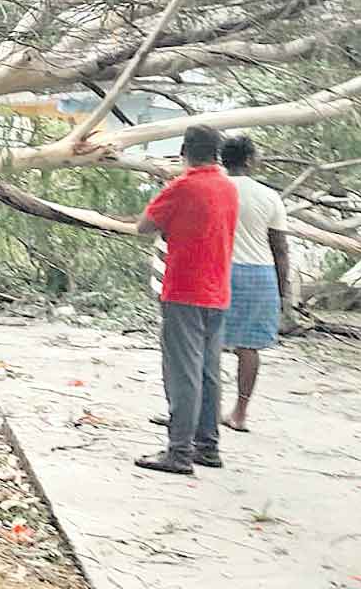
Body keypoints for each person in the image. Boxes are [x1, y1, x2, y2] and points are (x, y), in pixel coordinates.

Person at [135, 125, 239, 474]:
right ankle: (207, 445)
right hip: (217, 289)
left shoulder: (182, 186)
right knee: (209, 371)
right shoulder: (228, 187)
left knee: (183, 373)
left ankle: (178, 451)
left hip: (184, 288)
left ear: (184, 151)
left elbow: (144, 225)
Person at [219, 136, 291, 432]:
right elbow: (280, 247)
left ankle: (205, 408)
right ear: (249, 160)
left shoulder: (215, 189)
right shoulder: (268, 196)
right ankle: (240, 412)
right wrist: (283, 290)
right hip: (258, 274)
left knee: (207, 344)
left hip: (217, 270)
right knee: (248, 347)